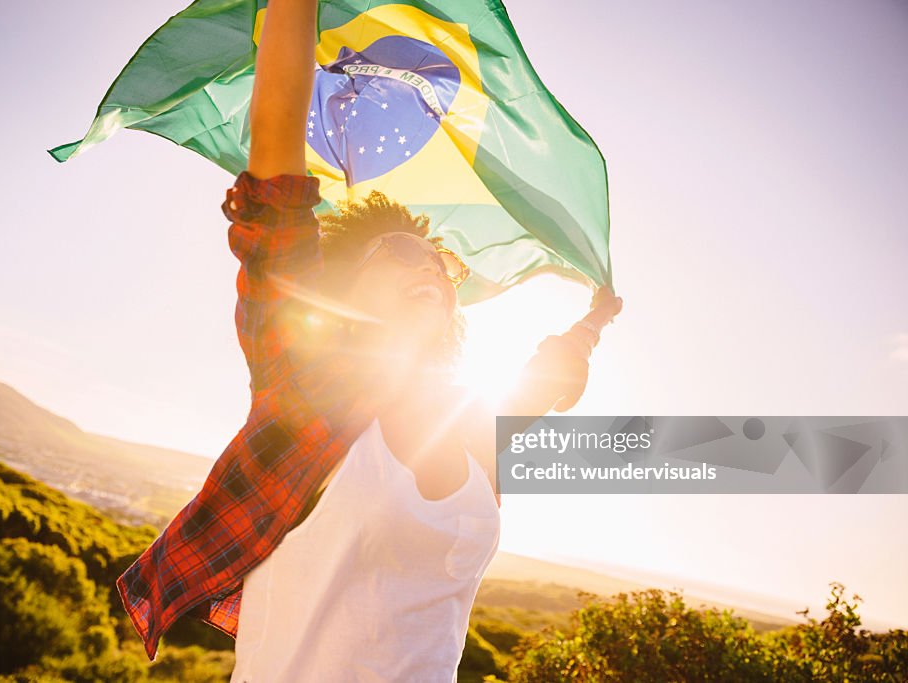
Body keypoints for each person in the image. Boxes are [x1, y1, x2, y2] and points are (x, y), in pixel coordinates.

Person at [115, 0, 622, 679]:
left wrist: (594, 320)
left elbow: (544, 375)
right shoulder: (304, 387)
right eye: (395, 253)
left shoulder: (476, 430)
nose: (425, 268)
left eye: (434, 264)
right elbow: (276, 176)